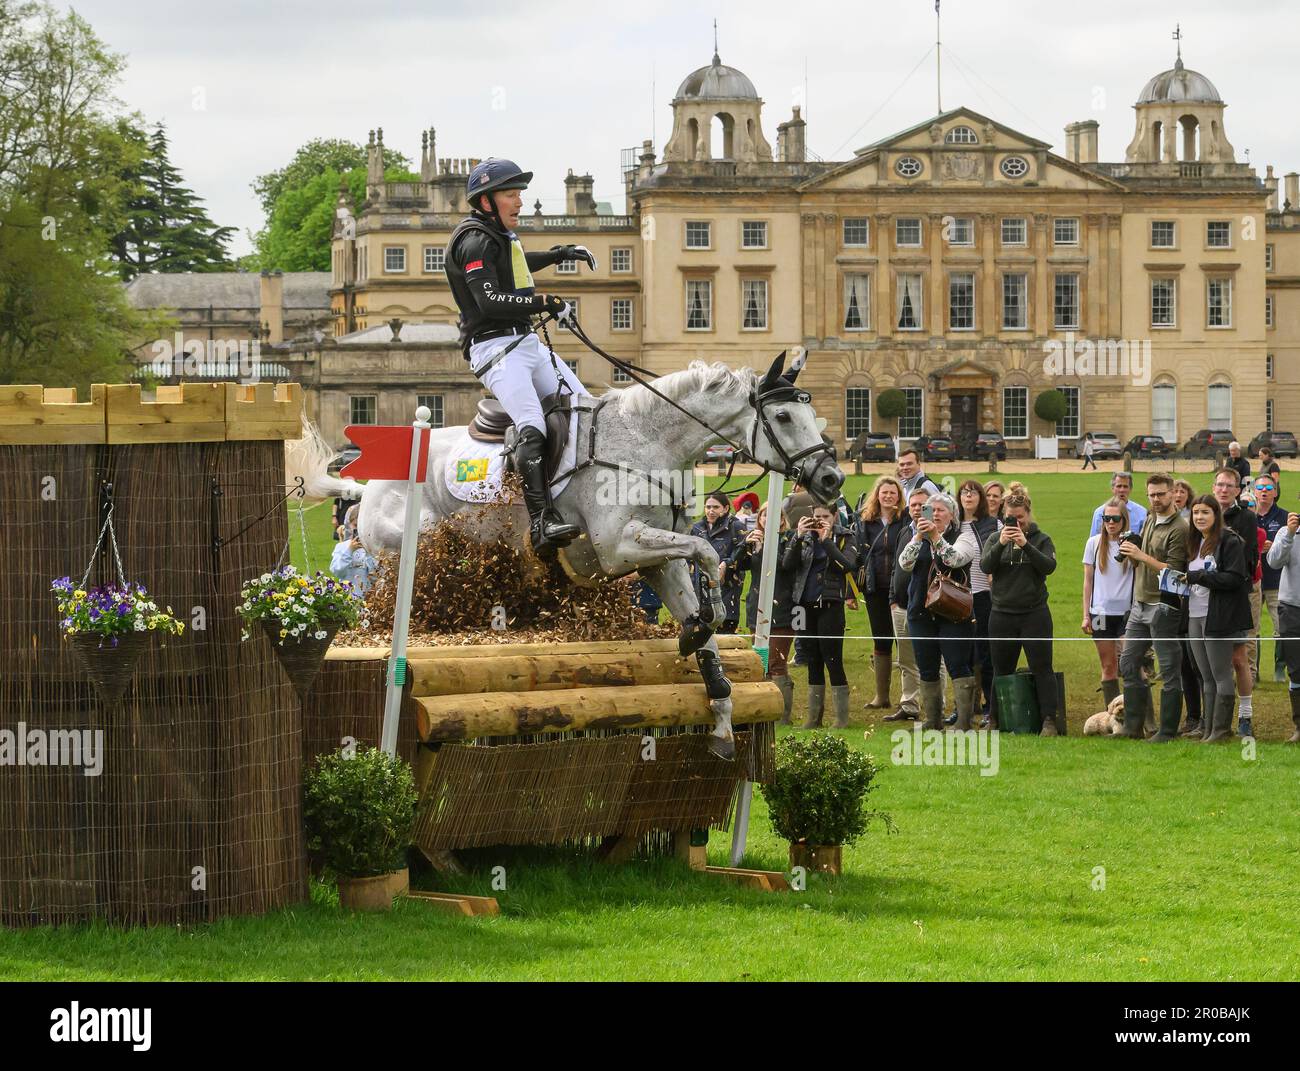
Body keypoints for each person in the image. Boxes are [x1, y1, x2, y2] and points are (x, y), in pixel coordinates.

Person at [444, 157, 596, 553]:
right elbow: (490, 299)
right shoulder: (473, 240)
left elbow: (517, 267)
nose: (519, 202)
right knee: (533, 426)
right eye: (512, 194)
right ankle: (542, 523)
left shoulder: (497, 237)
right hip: (494, 349)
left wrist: (560, 253)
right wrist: (544, 301)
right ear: (487, 200)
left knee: (586, 409)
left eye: (520, 194)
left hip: (525, 342)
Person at [897, 491, 980, 731]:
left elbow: (954, 559)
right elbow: (904, 564)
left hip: (953, 613)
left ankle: (964, 722)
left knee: (957, 664)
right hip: (920, 612)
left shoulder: (963, 537)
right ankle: (933, 721)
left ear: (952, 515)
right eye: (929, 510)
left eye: (940, 510)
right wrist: (919, 537)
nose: (934, 514)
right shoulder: (918, 537)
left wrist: (935, 537)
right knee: (927, 667)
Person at [1115, 473, 1189, 741]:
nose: (1156, 499)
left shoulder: (1179, 528)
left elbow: (1177, 572)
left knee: (1169, 668)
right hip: (1140, 602)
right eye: (1151, 495)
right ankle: (1132, 727)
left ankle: (1167, 731)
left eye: (1161, 494)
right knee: (1128, 661)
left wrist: (1141, 556)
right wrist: (1131, 553)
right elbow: (1141, 561)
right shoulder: (1148, 519)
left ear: (1172, 493)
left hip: (1164, 605)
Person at [982, 490, 1060, 734]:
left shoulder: (1042, 539)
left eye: (1020, 518)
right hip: (1002, 613)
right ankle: (994, 719)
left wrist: (1025, 544)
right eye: (1010, 518)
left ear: (1028, 514)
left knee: (1042, 668)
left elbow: (1048, 567)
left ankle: (1049, 720)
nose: (1016, 523)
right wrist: (1004, 542)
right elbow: (986, 565)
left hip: (1034, 613)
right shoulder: (995, 538)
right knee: (1000, 669)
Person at [1183, 495, 1252, 743]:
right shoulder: (1195, 542)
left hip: (1219, 617)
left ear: (1216, 515)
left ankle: (1221, 731)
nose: (1199, 517)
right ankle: (1209, 729)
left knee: (1221, 674)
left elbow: (1235, 578)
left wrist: (1199, 577)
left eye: (1205, 513)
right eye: (1196, 513)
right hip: (1195, 614)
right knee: (1206, 675)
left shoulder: (1229, 541)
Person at [784, 504, 859, 728]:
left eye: (825, 516)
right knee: (811, 658)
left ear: (834, 516)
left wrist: (827, 540)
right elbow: (788, 564)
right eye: (816, 516)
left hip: (830, 603)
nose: (819, 521)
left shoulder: (845, 536)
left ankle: (840, 719)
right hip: (803, 604)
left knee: (832, 658)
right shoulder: (803, 537)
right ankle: (813, 718)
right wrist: (798, 537)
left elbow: (846, 565)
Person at [884, 487, 946, 722]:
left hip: (927, 606)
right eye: (914, 506)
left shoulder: (936, 534)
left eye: (923, 505)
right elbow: (896, 569)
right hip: (901, 606)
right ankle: (909, 705)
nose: (918, 510)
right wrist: (892, 599)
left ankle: (936, 707)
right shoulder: (903, 533)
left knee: (934, 659)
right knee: (906, 660)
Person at [738, 505, 798, 724]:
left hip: (782, 607)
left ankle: (782, 715)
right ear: (759, 518)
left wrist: (763, 547)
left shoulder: (789, 539)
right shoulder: (753, 540)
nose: (769, 518)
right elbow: (739, 565)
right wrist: (744, 546)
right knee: (760, 661)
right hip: (757, 607)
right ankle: (763, 711)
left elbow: (784, 564)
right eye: (765, 514)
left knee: (777, 662)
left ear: (782, 520)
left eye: (775, 515)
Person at [1212, 467, 1260, 733]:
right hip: (1206, 598)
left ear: (1238, 490)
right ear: (1213, 487)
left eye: (1229, 486)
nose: (1224, 490)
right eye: (1220, 485)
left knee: (1239, 659)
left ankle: (1245, 716)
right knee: (1210, 663)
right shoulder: (1202, 513)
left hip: (1235, 596)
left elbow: (1249, 560)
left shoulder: (1247, 519)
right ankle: (1215, 719)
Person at [855, 477, 909, 711]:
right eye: (884, 492)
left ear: (899, 496)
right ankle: (881, 696)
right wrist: (853, 590)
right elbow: (858, 557)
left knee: (904, 641)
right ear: (877, 495)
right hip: (875, 588)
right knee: (881, 638)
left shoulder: (906, 520)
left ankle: (908, 698)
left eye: (893, 493)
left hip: (900, 587)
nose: (888, 496)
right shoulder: (866, 522)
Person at [1082, 496, 1136, 712]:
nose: (1111, 523)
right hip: (1101, 613)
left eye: (1115, 519)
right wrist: (1086, 614)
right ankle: (1113, 717)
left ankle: (1142, 718)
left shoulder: (1132, 544)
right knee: (1108, 666)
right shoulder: (1093, 543)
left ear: (1124, 520)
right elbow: (1088, 582)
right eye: (1106, 518)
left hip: (1127, 613)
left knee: (1132, 666)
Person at [957, 480, 1000, 723]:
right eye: (964, 492)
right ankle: (964, 706)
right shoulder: (953, 525)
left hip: (984, 595)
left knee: (986, 653)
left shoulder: (993, 524)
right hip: (958, 596)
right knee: (962, 654)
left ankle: (989, 707)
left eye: (973, 492)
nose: (968, 496)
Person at [1265, 507, 1300, 742]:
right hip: (1291, 609)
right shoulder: (1288, 533)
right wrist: (1289, 533)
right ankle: (1299, 726)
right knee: (1296, 669)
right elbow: (1274, 561)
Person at [689, 491, 747, 633]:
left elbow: (745, 556)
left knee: (725, 637)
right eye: (708, 507)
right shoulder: (697, 528)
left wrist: (726, 564)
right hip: (698, 592)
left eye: (716, 507)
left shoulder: (736, 527)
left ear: (726, 509)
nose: (711, 511)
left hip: (727, 591)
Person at [1254, 475, 1289, 683]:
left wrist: (1274, 546)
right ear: (1255, 491)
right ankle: (1254, 670)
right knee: (1252, 627)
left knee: (1281, 627)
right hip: (1253, 581)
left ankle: (1279, 668)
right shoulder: (1247, 515)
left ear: (1275, 492)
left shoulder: (1285, 517)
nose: (1264, 491)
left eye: (1269, 487)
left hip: (1277, 581)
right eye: (1260, 488)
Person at [330, 507, 380, 597]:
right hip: (347, 599)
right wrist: (349, 550)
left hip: (368, 600)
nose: (359, 530)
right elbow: (338, 571)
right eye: (356, 526)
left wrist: (368, 552)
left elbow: (376, 577)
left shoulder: (373, 548)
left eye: (362, 527)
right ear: (349, 524)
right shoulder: (342, 547)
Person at [1089, 472, 1147, 537]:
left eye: (1125, 486)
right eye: (1119, 486)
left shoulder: (1142, 512)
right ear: (1112, 488)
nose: (1122, 490)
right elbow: (1094, 539)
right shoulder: (1099, 512)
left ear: (1130, 489)